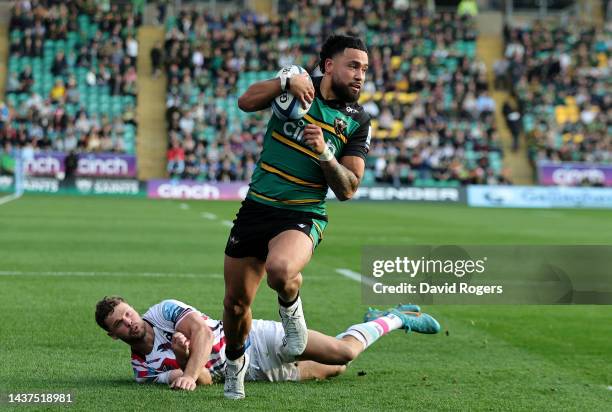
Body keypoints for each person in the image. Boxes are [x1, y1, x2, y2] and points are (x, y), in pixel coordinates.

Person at [223, 34, 373, 399]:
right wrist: (286, 81)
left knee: (281, 270)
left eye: (365, 70)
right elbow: (245, 102)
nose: (360, 76)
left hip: (303, 214)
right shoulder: (295, 85)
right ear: (328, 66)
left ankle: (294, 323)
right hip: (257, 207)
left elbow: (348, 188)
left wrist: (325, 154)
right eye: (353, 66)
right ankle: (234, 364)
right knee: (236, 305)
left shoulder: (357, 121)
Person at [94, 297, 440, 390]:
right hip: (250, 373)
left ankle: (395, 318)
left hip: (254, 339)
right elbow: (204, 380)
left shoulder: (162, 311)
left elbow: (199, 330)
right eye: (119, 324)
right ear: (114, 336)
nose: (129, 322)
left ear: (133, 309)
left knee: (344, 350)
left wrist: (189, 360)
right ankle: (371, 321)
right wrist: (186, 361)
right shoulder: (143, 369)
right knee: (337, 368)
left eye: (127, 313)